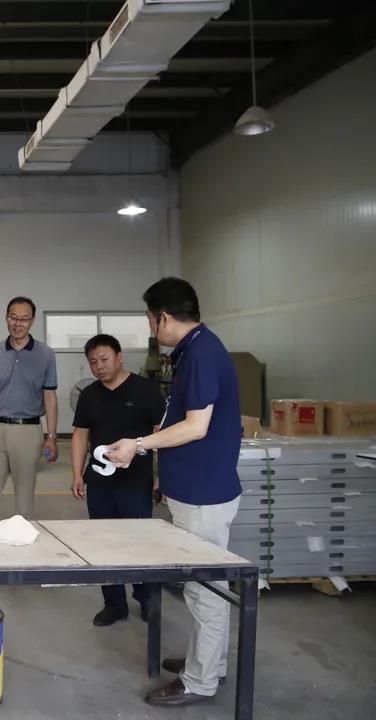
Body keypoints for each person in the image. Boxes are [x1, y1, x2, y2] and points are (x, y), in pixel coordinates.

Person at [105, 277, 242, 707]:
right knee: (205, 587)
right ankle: (210, 662)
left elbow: (196, 426)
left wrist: (138, 445)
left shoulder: (201, 354)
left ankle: (200, 680)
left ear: (163, 317)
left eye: (150, 319)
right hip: (196, 488)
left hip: (204, 494)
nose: (151, 327)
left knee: (205, 590)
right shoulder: (196, 349)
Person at [71, 334, 164, 627]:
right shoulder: (89, 395)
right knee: (103, 544)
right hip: (99, 483)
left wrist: (161, 475)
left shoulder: (145, 390)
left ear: (119, 357)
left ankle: (146, 598)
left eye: (104, 359)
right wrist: (76, 473)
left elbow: (161, 433)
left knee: (140, 544)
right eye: (93, 362)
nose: (99, 366)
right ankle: (114, 603)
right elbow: (80, 435)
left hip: (136, 482)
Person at [0, 296, 59, 521]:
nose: (18, 323)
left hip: (28, 432)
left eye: (24, 319)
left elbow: (50, 396)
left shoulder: (45, 354)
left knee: (24, 499)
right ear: (6, 318)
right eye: (13, 318)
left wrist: (51, 437)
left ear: (32, 321)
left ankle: (24, 540)